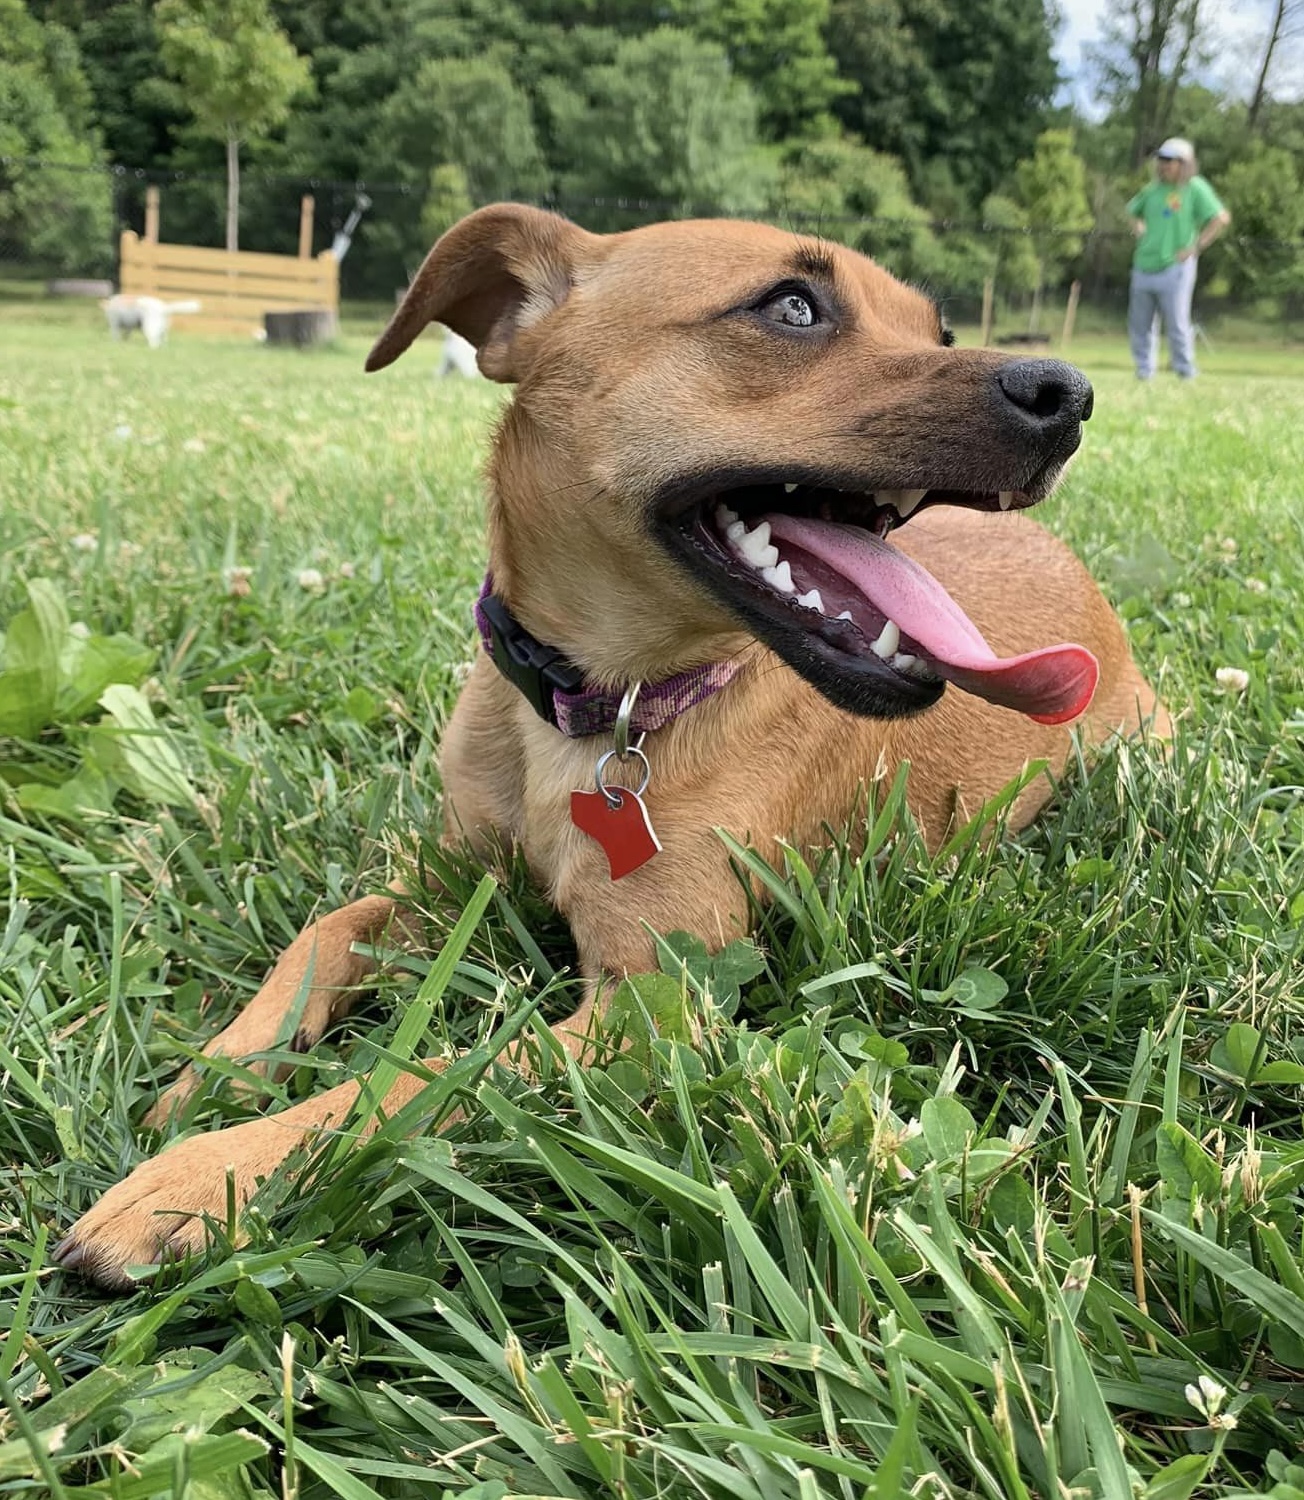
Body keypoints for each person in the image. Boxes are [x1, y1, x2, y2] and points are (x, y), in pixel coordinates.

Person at [1126, 137, 1230, 381]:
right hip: (1143, 264)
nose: (1163, 165)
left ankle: (1185, 372)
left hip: (1175, 267)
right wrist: (1138, 226)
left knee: (1177, 323)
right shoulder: (1151, 190)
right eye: (1161, 159)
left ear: (1185, 163)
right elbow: (1132, 211)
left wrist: (1196, 247)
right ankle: (1144, 371)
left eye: (1169, 160)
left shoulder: (1195, 188)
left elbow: (1220, 217)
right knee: (1140, 324)